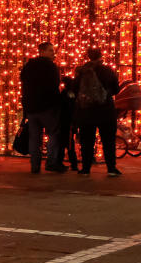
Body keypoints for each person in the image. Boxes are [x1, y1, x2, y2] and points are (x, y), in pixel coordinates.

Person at [73, 48, 121, 176]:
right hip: (105, 110)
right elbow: (116, 89)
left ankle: (85, 168)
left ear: (88, 57)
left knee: (87, 140)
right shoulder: (107, 71)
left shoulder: (82, 71)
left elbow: (75, 88)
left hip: (87, 111)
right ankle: (111, 168)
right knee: (108, 140)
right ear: (101, 56)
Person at [20, 42, 64, 173]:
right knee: (53, 135)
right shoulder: (51, 67)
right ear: (42, 51)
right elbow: (55, 86)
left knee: (34, 138)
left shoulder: (29, 66)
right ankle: (51, 162)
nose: (53, 53)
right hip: (47, 107)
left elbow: (23, 82)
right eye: (50, 50)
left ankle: (35, 165)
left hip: (32, 107)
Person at [53, 76, 80, 171]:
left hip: (66, 122)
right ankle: (72, 164)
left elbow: (66, 108)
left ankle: (65, 163)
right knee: (68, 144)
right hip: (69, 122)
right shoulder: (72, 94)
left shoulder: (66, 93)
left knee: (66, 144)